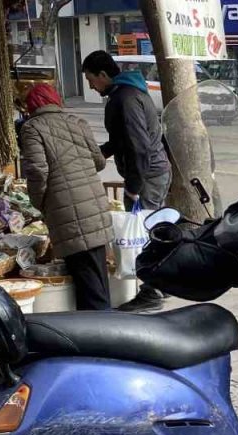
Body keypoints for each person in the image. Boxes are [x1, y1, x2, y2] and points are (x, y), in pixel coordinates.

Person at [81, 50, 172, 312]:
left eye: (91, 79)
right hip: (150, 171)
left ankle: (152, 292)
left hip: (148, 174)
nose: (90, 85)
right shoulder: (127, 93)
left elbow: (138, 147)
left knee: (143, 232)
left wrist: (133, 187)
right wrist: (101, 153)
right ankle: (159, 285)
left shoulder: (125, 98)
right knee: (149, 229)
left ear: (103, 74)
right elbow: (123, 140)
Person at [19, 84, 113, 311]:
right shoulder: (77, 122)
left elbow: (38, 171)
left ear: (32, 106)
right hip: (94, 204)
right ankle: (105, 329)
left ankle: (100, 337)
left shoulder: (32, 128)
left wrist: (38, 201)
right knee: (97, 277)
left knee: (88, 284)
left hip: (66, 209)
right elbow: (99, 161)